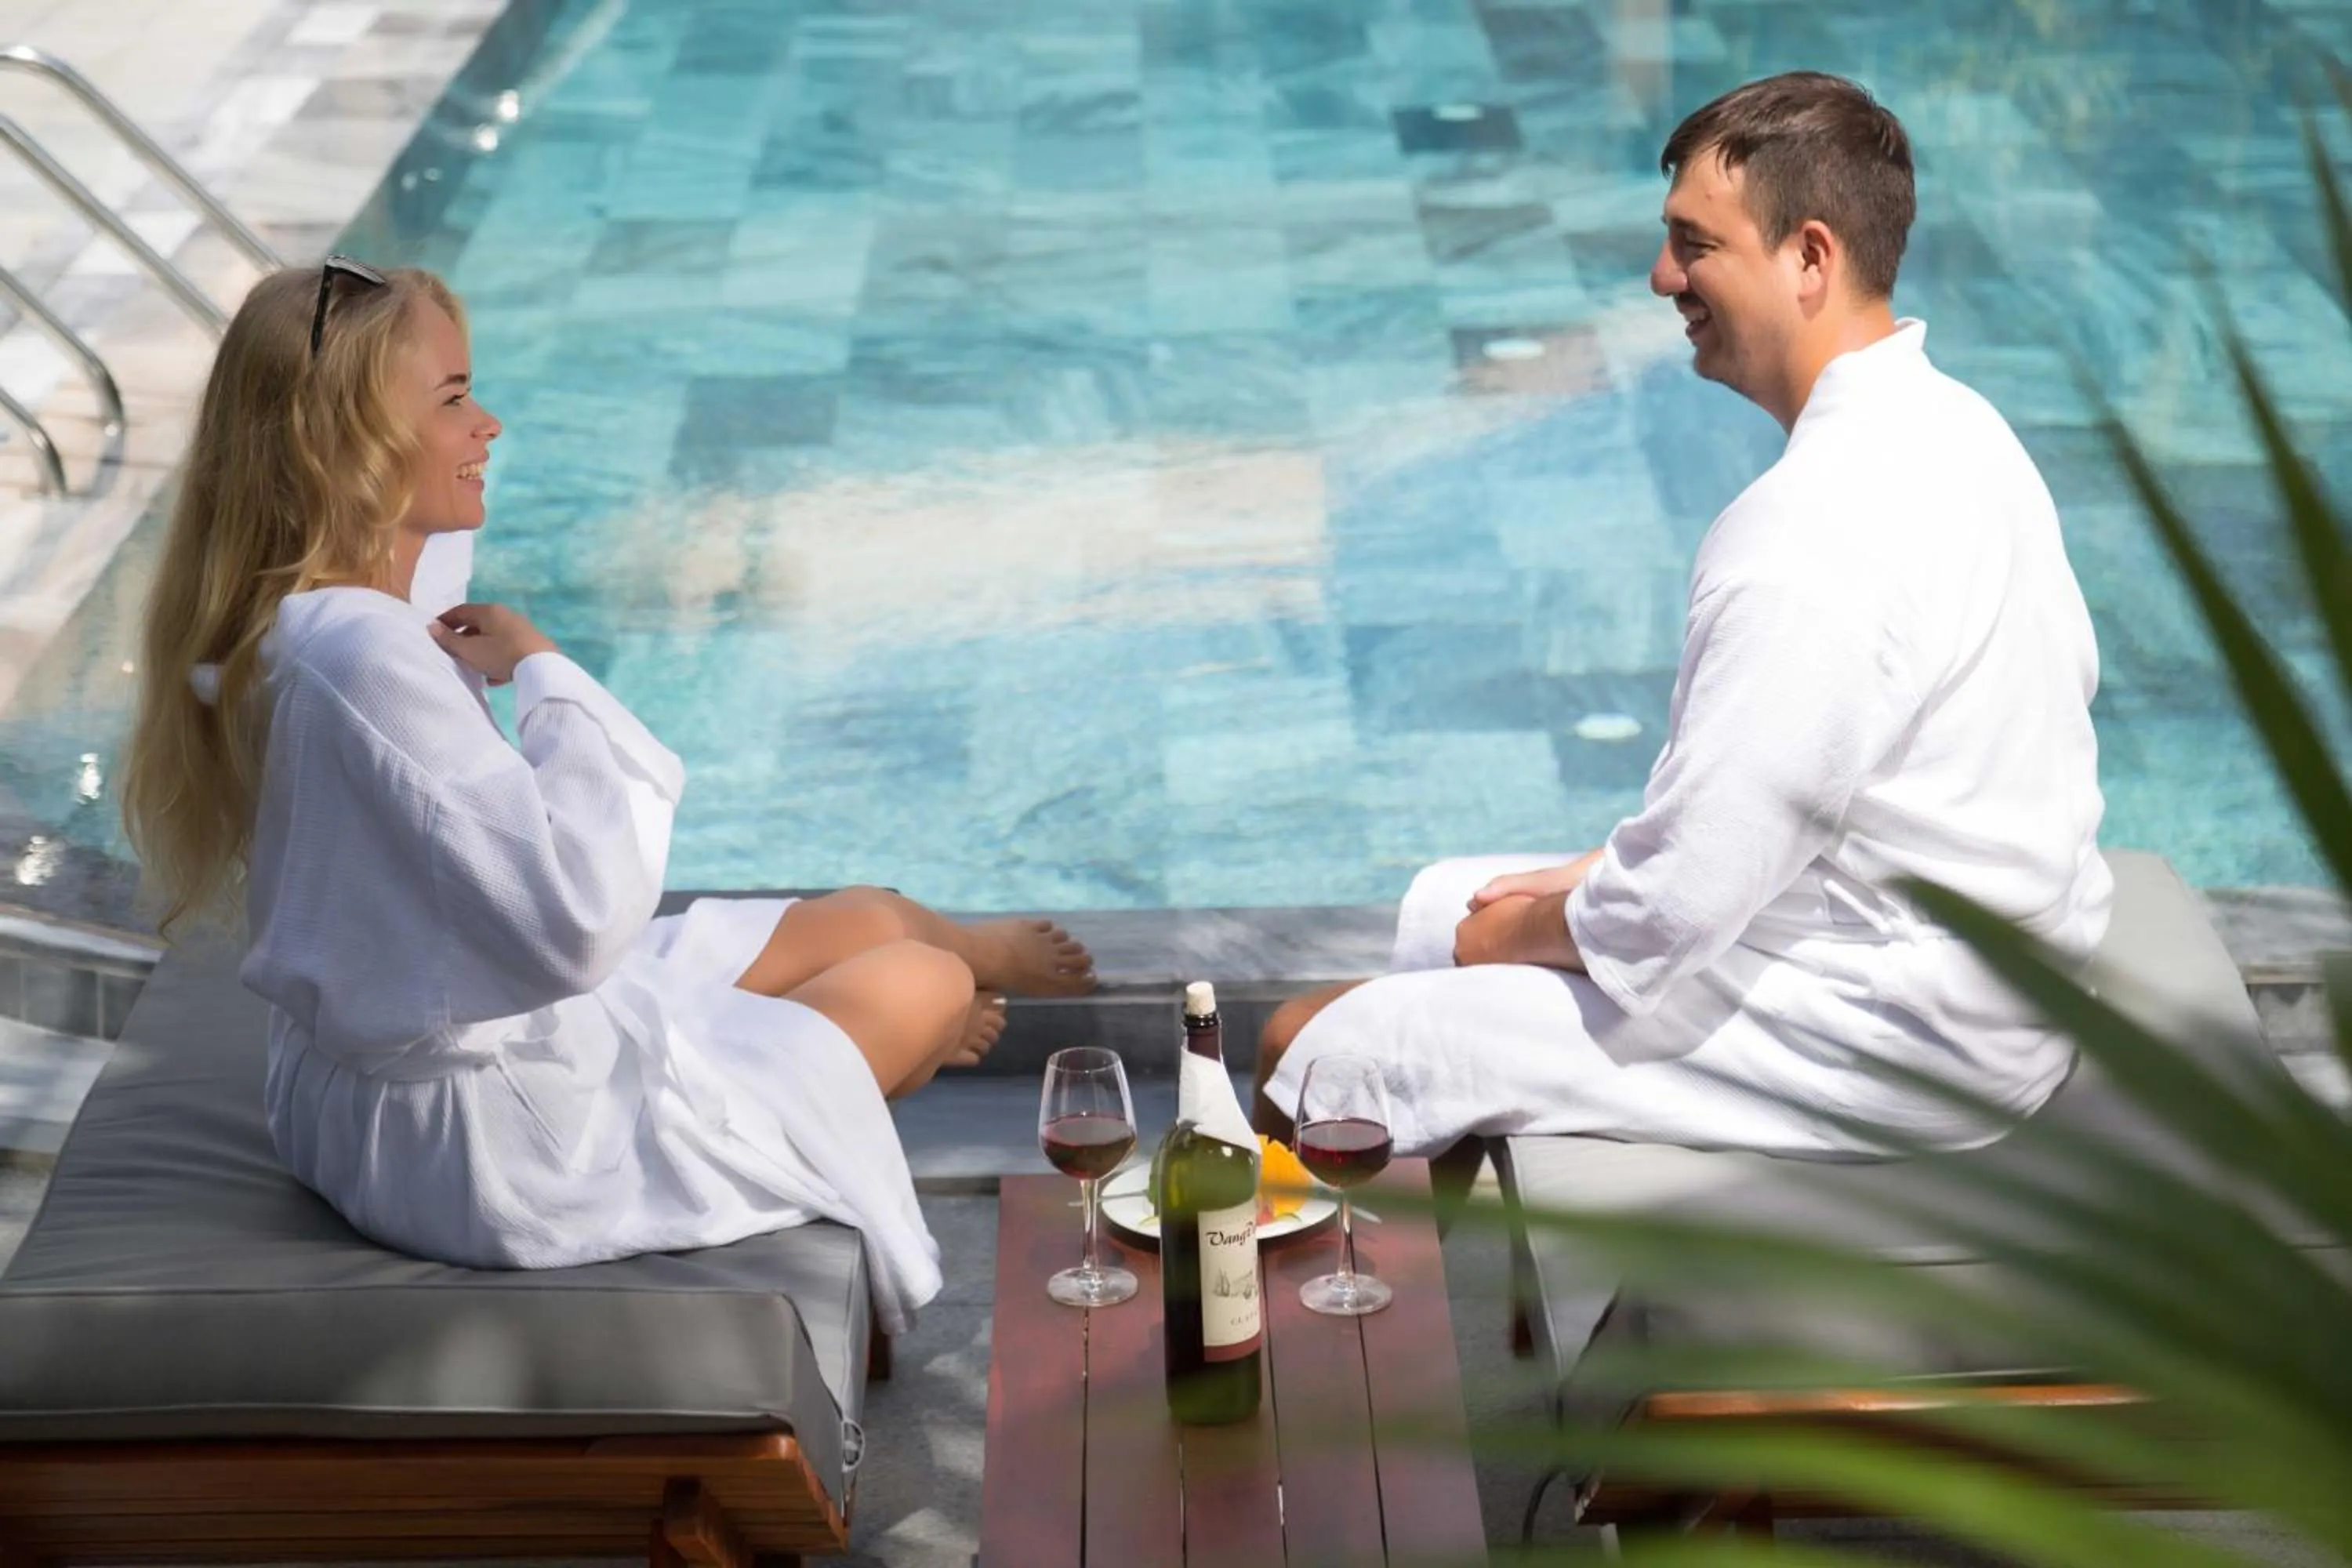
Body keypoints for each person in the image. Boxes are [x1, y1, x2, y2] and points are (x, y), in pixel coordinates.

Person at [118, 259, 1095, 1332]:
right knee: (921, 977)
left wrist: (423, 516)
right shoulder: (365, 658)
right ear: (346, 447)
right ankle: (938, 1002)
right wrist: (546, 676)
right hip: (493, 1149)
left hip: (355, 1098)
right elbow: (574, 918)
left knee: (868, 916)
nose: (489, 425)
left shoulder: (305, 616)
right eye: (452, 401)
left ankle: (949, 972)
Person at [1254, 72, 2112, 1171]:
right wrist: (1554, 893)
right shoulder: (1963, 427)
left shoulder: (1810, 538)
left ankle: (1318, 1321)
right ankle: (1501, 1315)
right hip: (2000, 978)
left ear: (1811, 257)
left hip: (1895, 1039)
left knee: (1316, 1046)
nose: (1662, 277)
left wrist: (1517, 931)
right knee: (1441, 909)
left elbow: (1680, 902)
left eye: (1694, 244)